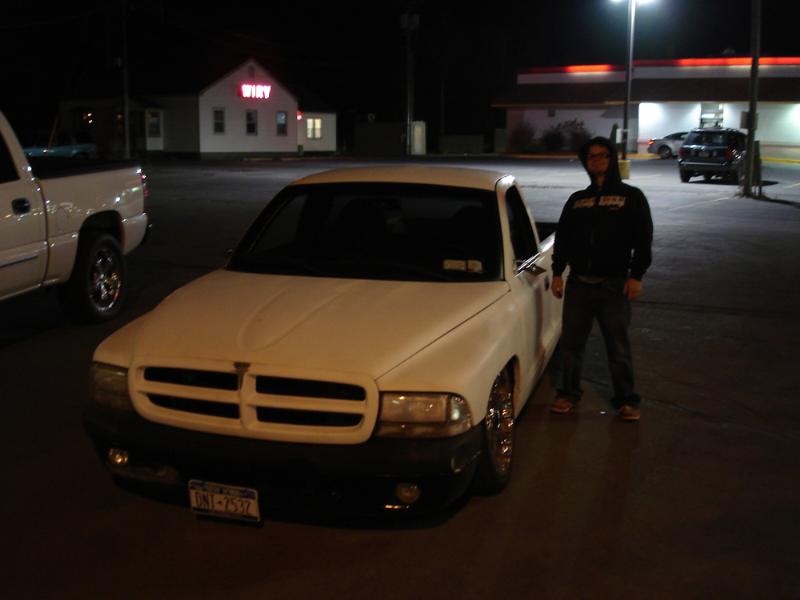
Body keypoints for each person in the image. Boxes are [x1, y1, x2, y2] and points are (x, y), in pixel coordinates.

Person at [550, 136, 653, 421]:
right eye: (591, 156)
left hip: (614, 285)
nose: (596, 160)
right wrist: (557, 272)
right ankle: (568, 394)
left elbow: (643, 239)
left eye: (602, 155)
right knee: (571, 346)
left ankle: (627, 400)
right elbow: (563, 238)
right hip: (578, 284)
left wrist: (636, 276)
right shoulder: (577, 200)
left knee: (618, 348)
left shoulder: (631, 197)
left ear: (612, 159)